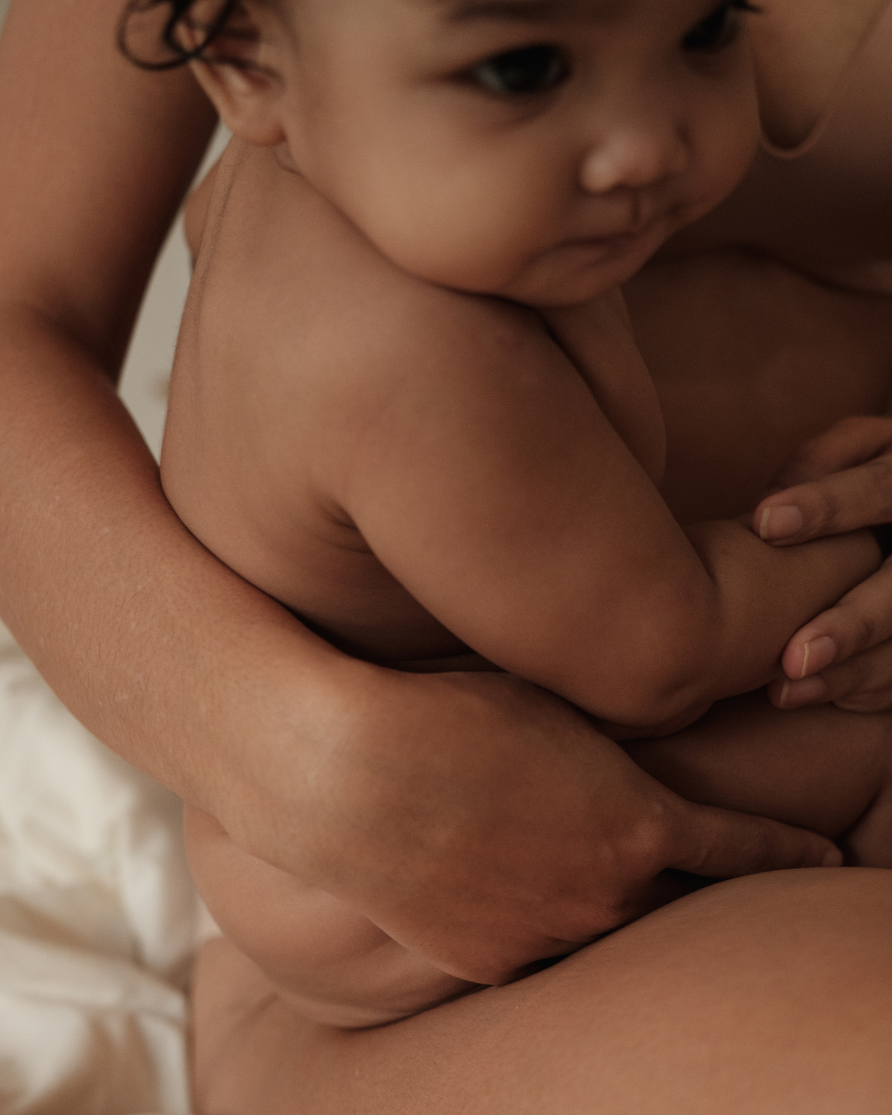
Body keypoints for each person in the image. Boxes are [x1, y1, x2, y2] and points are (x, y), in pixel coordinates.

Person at [1, 0, 892, 1109]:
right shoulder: (393, 337)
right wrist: (302, 753)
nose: (649, 143)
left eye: (708, 31)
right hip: (451, 868)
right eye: (522, 69)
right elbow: (667, 645)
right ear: (242, 67)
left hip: (642, 722)